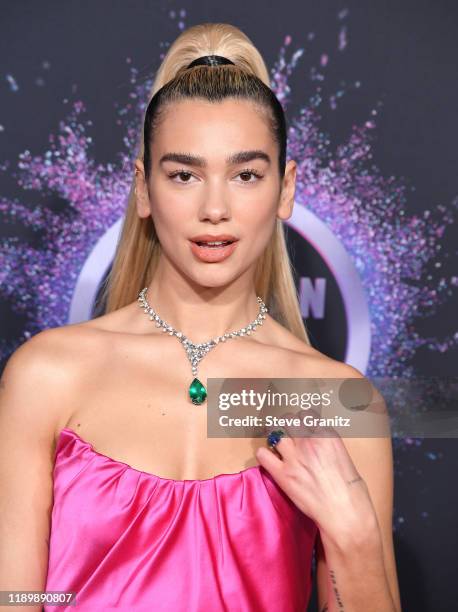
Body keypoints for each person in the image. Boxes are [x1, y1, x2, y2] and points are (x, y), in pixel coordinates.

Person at [0, 22, 402, 612]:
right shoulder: (48, 374)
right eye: (184, 175)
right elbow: (17, 594)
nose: (215, 209)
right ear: (144, 190)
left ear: (285, 189)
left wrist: (357, 538)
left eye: (246, 175)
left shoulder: (336, 400)